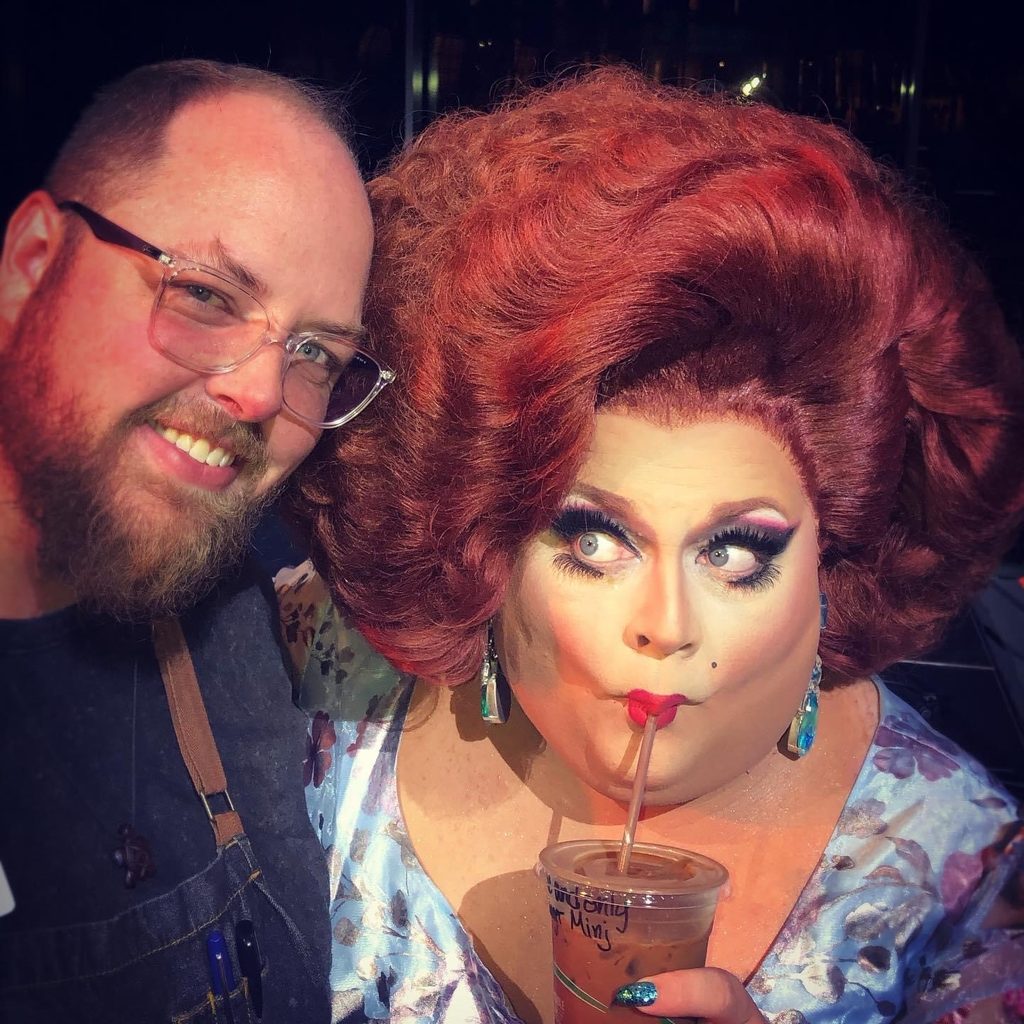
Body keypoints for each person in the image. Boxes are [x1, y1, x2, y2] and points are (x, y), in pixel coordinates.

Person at [281, 68, 1024, 1024]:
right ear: (487, 542)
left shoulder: (970, 895)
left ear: (833, 568)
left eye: (736, 553)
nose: (666, 627)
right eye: (593, 540)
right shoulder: (327, 713)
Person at [0, 59, 392, 1022]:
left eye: (315, 354)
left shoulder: (273, 597)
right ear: (31, 262)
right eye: (208, 294)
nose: (260, 394)